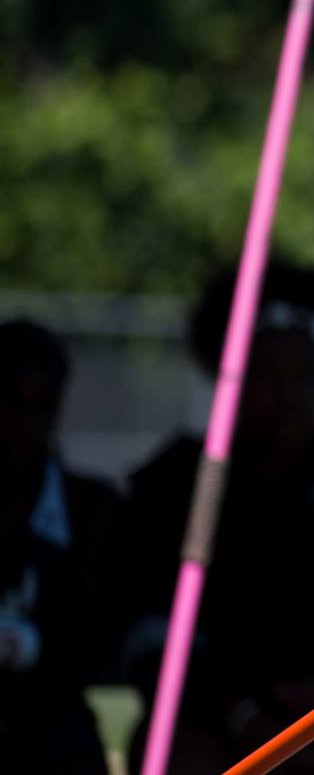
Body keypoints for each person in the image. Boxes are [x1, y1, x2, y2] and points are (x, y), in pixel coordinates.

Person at [117, 262, 314, 774]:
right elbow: (146, 631)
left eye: (305, 375)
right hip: (210, 713)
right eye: (266, 375)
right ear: (227, 373)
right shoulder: (187, 481)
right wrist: (241, 713)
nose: (288, 396)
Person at [0, 318, 119, 774]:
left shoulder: (90, 511)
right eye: (8, 401)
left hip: (49, 726)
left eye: (40, 406)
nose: (21, 425)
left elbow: (87, 650)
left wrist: (24, 721)